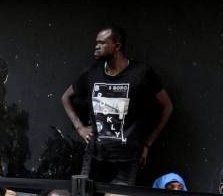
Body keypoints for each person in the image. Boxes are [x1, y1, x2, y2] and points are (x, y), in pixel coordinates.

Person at [61, 25, 172, 184]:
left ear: (117, 46)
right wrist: (80, 127)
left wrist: (148, 143)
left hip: (128, 157)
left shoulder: (141, 73)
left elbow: (167, 107)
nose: (96, 47)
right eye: (96, 43)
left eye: (102, 43)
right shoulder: (92, 73)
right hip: (95, 156)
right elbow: (66, 98)